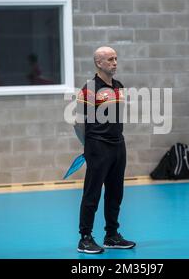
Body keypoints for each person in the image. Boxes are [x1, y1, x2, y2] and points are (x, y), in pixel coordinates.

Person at [74, 46, 136, 254]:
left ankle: (111, 235)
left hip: (118, 145)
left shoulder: (119, 86)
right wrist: (89, 146)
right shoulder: (90, 88)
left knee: (115, 192)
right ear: (99, 63)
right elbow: (77, 122)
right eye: (110, 59)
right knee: (92, 193)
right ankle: (85, 238)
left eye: (116, 58)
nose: (115, 62)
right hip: (97, 146)